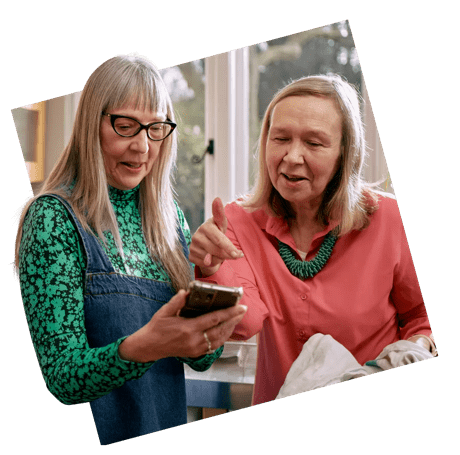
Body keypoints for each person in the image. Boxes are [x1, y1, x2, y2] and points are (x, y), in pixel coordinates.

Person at [13, 53, 247, 445]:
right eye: (125, 126)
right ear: (92, 124)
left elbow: (202, 358)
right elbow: (63, 378)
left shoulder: (168, 219)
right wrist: (144, 346)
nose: (142, 147)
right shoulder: (54, 219)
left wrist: (209, 278)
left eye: (156, 129)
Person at [189, 74, 436, 406]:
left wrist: (413, 351)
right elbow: (244, 324)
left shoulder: (391, 220)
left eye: (314, 143)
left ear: (344, 153)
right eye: (280, 138)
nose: (292, 157)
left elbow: (423, 315)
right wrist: (211, 269)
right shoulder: (237, 220)